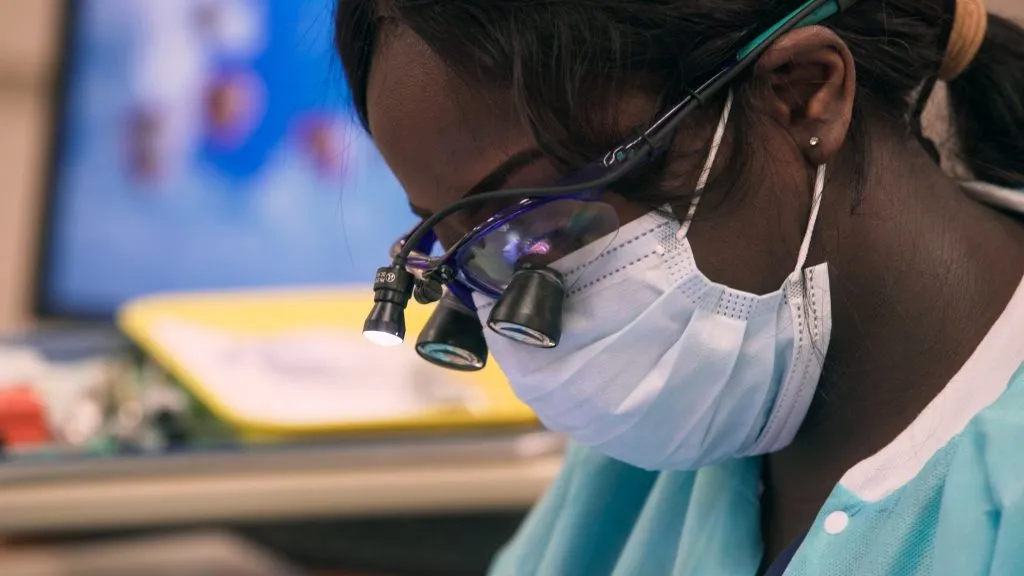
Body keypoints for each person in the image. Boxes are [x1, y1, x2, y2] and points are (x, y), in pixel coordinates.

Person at [335, 0, 1024, 573]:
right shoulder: (676, 415)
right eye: (455, 245)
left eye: (538, 223)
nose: (510, 322)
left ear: (802, 93)